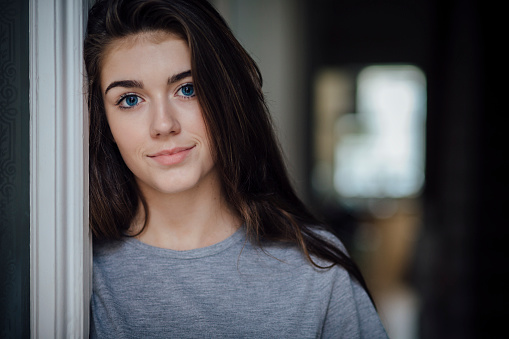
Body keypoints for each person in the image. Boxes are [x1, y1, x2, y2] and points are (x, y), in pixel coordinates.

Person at [85, 0, 388, 337]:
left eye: (188, 89)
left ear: (227, 97)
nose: (163, 124)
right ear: (104, 122)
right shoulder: (76, 274)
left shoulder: (315, 269)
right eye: (130, 99)